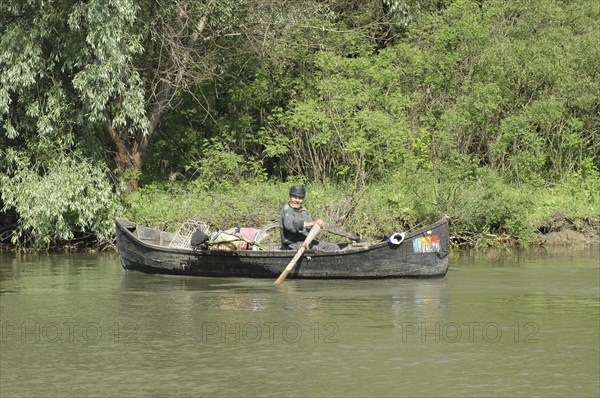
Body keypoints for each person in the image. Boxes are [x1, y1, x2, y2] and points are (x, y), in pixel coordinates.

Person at [279, 185, 340, 251]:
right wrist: (312, 223)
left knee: (333, 247)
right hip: (292, 244)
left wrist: (318, 224)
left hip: (306, 241)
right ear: (290, 197)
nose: (297, 200)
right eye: (294, 197)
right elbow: (291, 226)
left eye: (300, 198)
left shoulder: (303, 210)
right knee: (318, 250)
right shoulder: (287, 210)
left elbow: (310, 227)